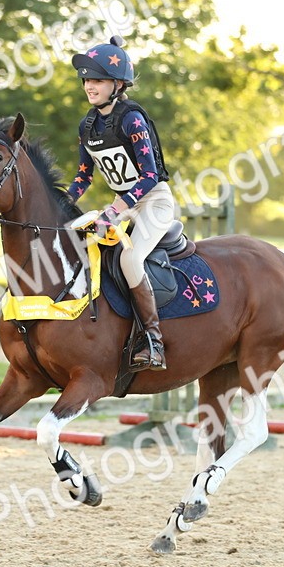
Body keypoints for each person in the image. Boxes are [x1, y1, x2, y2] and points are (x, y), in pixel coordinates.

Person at [68, 36, 176, 371]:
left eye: (97, 80)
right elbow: (84, 176)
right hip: (123, 205)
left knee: (129, 259)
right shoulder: (87, 125)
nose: (90, 86)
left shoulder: (132, 120)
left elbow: (150, 176)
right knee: (78, 247)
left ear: (117, 84)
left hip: (154, 202)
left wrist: (115, 211)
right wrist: (62, 200)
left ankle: (154, 342)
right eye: (87, 80)